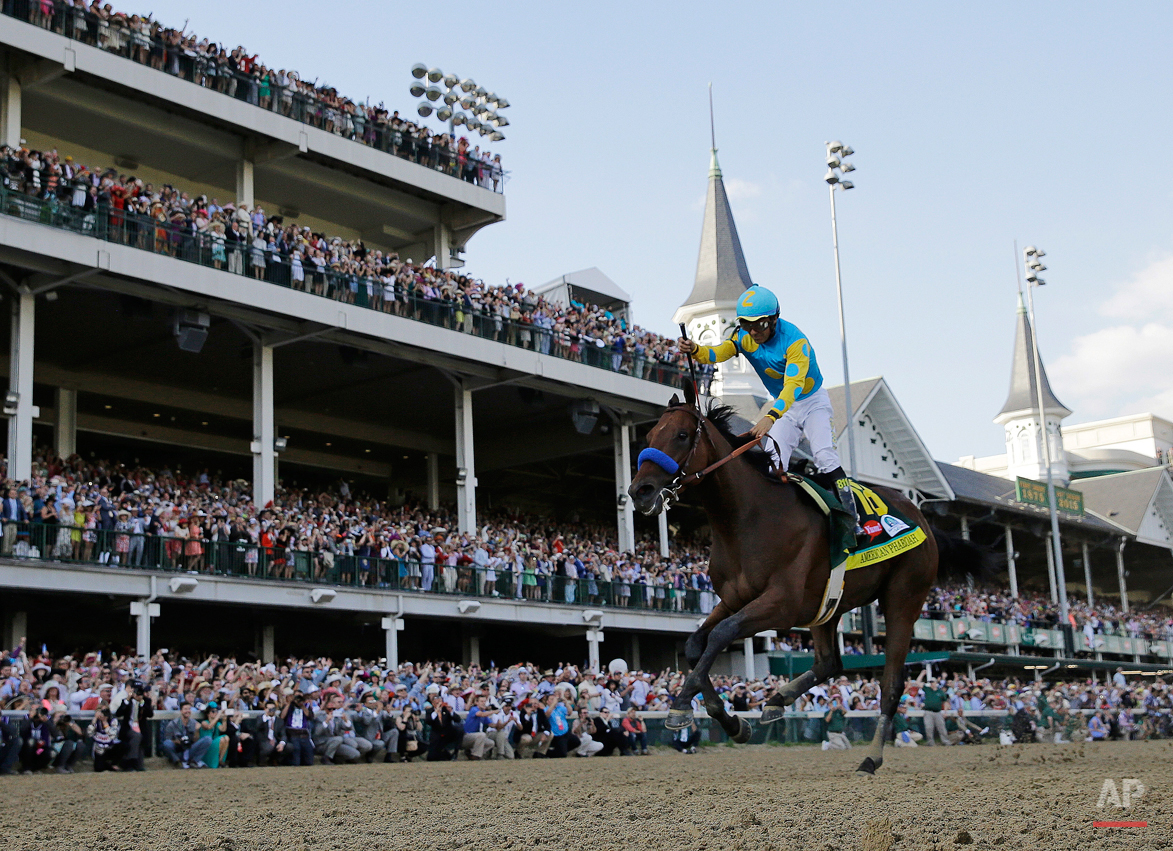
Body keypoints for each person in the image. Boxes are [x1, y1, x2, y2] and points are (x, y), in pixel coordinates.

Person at [678, 284, 862, 540]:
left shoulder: (795, 342)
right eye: (746, 325)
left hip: (810, 402)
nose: (754, 332)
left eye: (761, 325)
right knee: (773, 461)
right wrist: (696, 349)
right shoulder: (743, 336)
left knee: (823, 455)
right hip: (784, 406)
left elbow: (792, 387)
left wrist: (770, 417)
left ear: (774, 319)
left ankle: (853, 519)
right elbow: (719, 352)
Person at [162, 702, 213, 768]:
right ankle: (177, 762)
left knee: (208, 739)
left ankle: (194, 761)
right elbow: (168, 739)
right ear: (181, 711)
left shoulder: (194, 722)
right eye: (185, 709)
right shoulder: (172, 724)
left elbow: (196, 740)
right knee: (166, 743)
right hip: (179, 750)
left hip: (190, 749)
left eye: (189, 709)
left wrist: (197, 731)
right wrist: (178, 741)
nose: (187, 711)